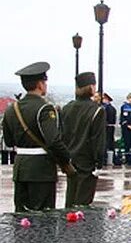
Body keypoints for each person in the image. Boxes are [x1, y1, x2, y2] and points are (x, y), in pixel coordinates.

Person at [1, 62, 75, 210]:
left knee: (22, 219)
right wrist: (67, 158)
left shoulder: (11, 109)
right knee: (43, 220)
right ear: (40, 84)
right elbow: (53, 140)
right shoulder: (45, 108)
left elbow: (8, 141)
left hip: (21, 167)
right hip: (42, 170)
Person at [60, 72, 105, 207]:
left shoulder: (66, 108)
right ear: (91, 87)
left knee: (70, 199)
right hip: (87, 161)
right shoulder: (97, 110)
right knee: (83, 204)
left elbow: (62, 135)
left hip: (70, 160)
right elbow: (98, 139)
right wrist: (99, 163)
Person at [101, 92, 118, 166]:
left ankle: (105, 159)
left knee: (107, 144)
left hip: (107, 129)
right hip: (108, 129)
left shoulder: (109, 109)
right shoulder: (110, 108)